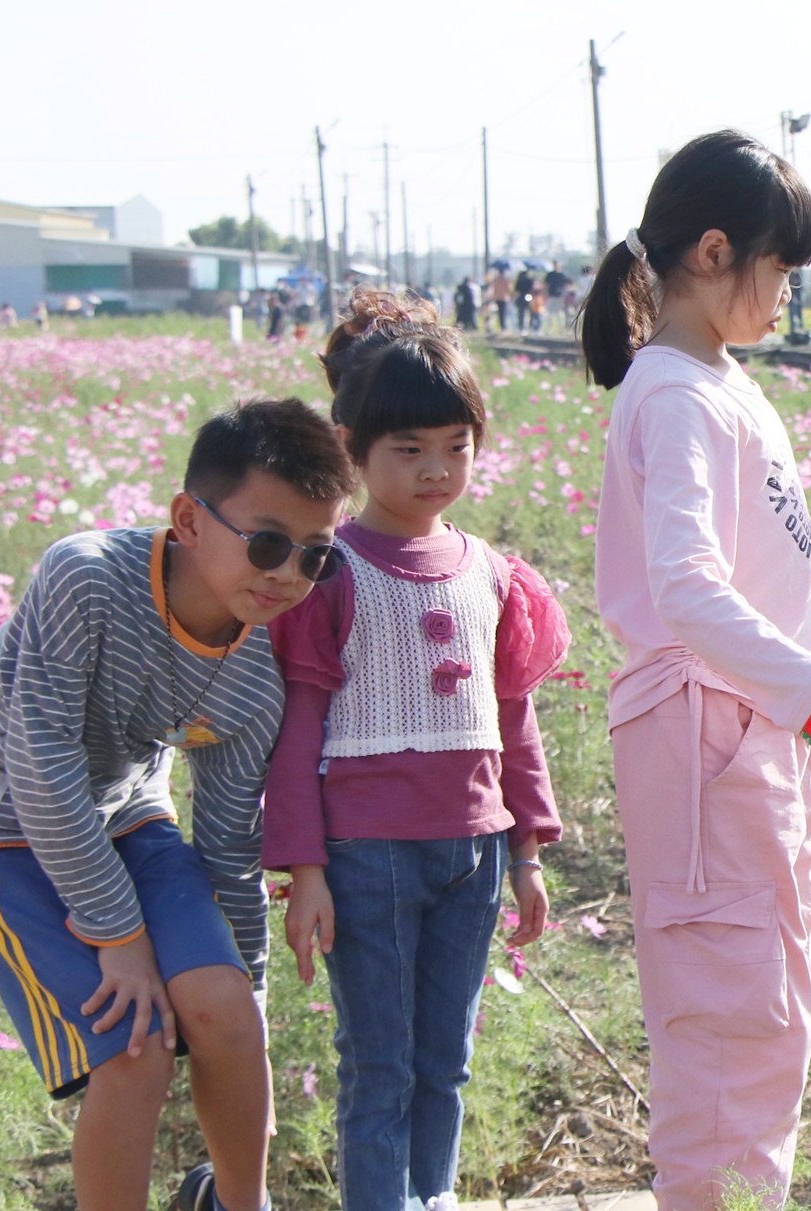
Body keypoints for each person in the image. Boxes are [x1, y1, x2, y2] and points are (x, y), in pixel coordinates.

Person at [0, 400, 356, 1211]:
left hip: (122, 810)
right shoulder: (85, 575)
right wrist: (117, 934)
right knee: (135, 1044)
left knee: (226, 1013)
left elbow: (227, 847)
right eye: (268, 543)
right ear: (188, 519)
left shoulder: (258, 673)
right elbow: (40, 762)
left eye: (316, 555)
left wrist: (251, 1015)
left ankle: (237, 1204)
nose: (287, 574)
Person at [580, 130, 811, 1211]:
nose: (788, 294)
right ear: (714, 252)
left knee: (763, 1015)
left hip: (739, 735)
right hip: (709, 734)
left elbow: (738, 564)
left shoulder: (716, 381)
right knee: (729, 1025)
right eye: (781, 270)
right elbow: (684, 586)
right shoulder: (677, 392)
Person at [267, 290, 568, 1211]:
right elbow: (299, 733)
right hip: (368, 857)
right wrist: (305, 871)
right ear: (350, 448)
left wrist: (526, 850)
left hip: (473, 853)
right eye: (407, 449)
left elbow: (513, 718)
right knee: (379, 1066)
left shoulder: (494, 574)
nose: (436, 469)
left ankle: (429, 1198)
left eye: (456, 445)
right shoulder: (333, 573)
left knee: (446, 1060)